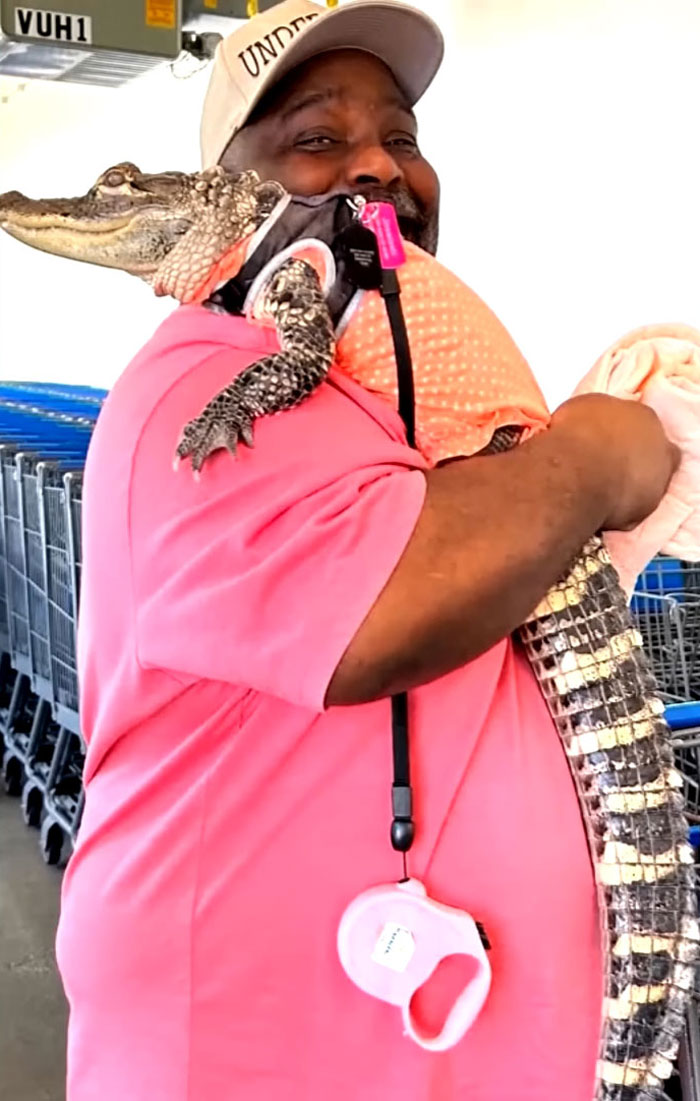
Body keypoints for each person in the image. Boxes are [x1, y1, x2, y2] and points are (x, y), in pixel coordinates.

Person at [55, 1, 680, 1099]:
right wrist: (593, 455)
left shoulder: (378, 375)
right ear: (229, 183)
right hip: (267, 1058)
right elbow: (388, 609)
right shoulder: (207, 376)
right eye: (316, 137)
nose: (379, 165)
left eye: (402, 136)